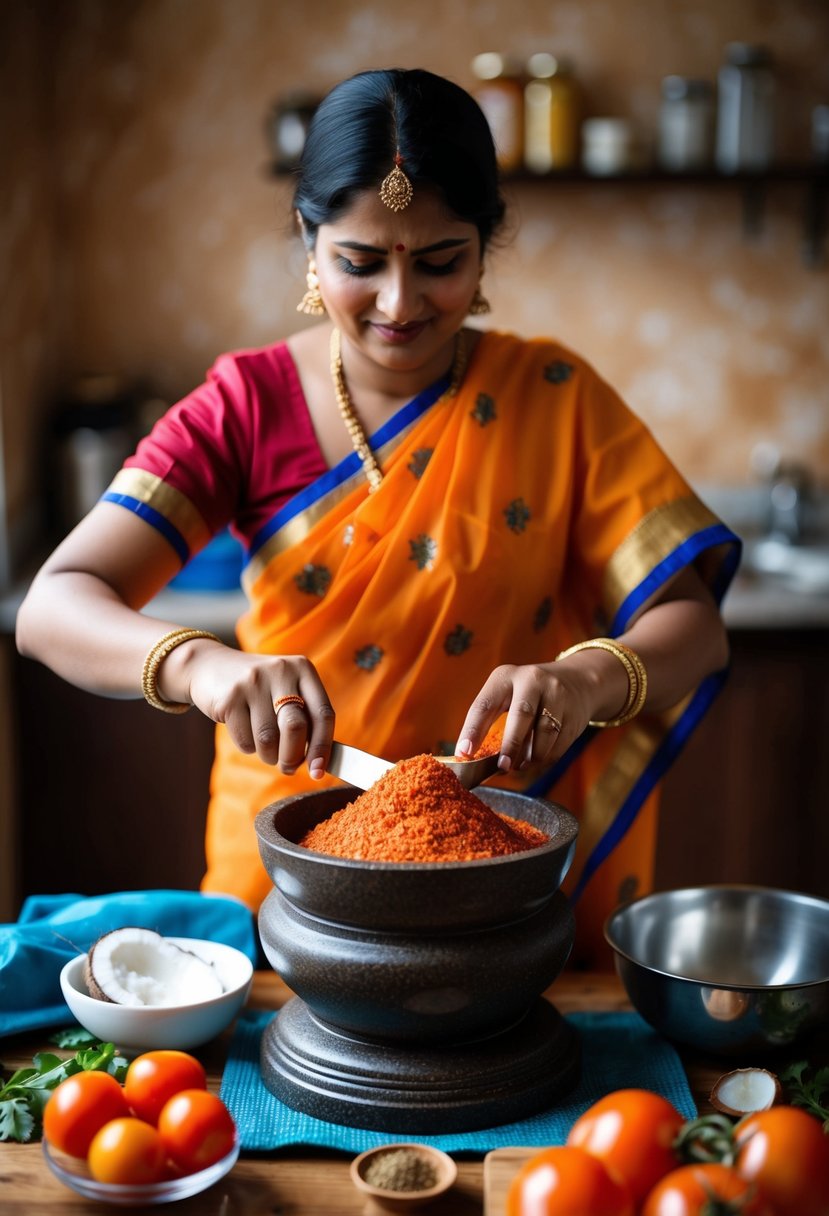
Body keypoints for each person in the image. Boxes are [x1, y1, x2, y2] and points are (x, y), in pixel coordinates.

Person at [16, 67, 739, 966]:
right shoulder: (246, 406)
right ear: (308, 243)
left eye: (440, 261)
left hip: (498, 867)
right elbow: (54, 606)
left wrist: (585, 681)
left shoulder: (555, 399)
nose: (400, 305)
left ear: (485, 249)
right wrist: (195, 664)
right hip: (293, 870)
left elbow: (696, 630)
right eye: (361, 263)